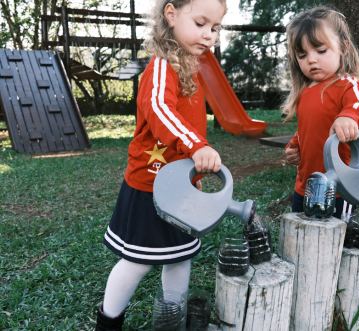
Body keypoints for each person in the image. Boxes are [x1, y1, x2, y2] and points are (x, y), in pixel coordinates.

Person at [93, 0, 227, 329]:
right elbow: (160, 110)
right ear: (171, 14)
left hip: (181, 187)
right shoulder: (161, 66)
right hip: (151, 186)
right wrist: (196, 145)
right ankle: (108, 323)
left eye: (215, 28)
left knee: (180, 256)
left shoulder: (189, 65)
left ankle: (172, 318)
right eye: (200, 23)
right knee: (137, 262)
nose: (209, 35)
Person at [283, 6, 359, 217]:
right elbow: (310, 128)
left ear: (343, 47)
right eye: (302, 55)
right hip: (305, 185)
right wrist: (295, 145)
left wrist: (349, 116)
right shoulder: (305, 92)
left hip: (338, 187)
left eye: (321, 50)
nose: (312, 60)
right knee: (302, 236)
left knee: (334, 242)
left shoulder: (348, 85)